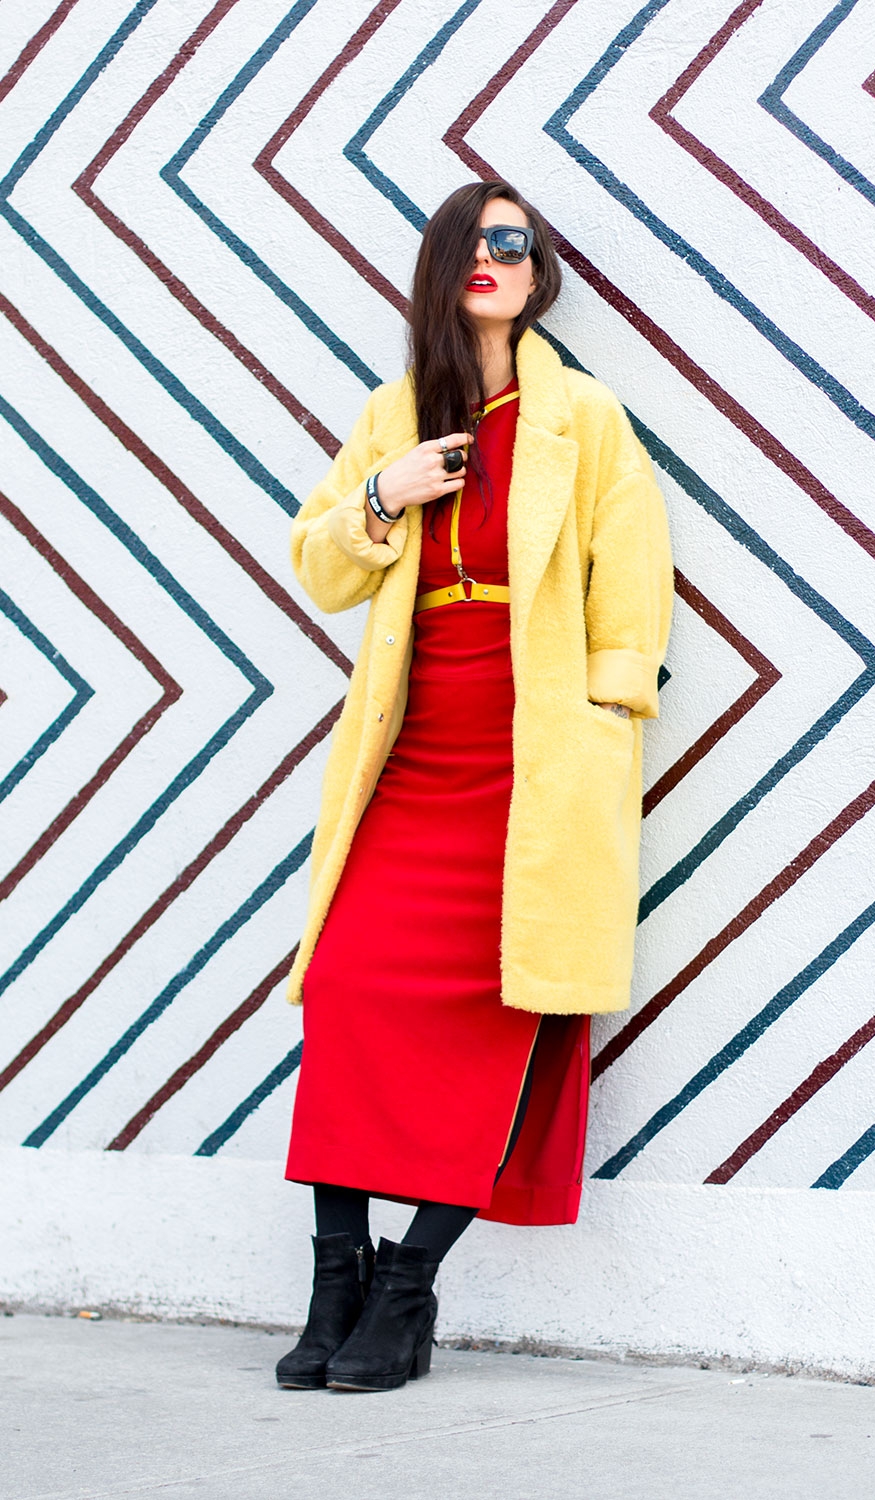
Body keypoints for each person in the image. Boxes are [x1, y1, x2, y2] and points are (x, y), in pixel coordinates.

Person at [276, 180, 673, 1393]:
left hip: (532, 758)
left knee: (500, 1018)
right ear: (444, 265)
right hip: (410, 753)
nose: (501, 258)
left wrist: (609, 707)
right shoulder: (393, 415)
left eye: (521, 244)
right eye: (481, 242)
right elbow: (318, 567)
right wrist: (382, 499)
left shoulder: (584, 417)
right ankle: (332, 1277)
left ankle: (407, 1294)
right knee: (344, 991)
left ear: (538, 272)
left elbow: (632, 573)